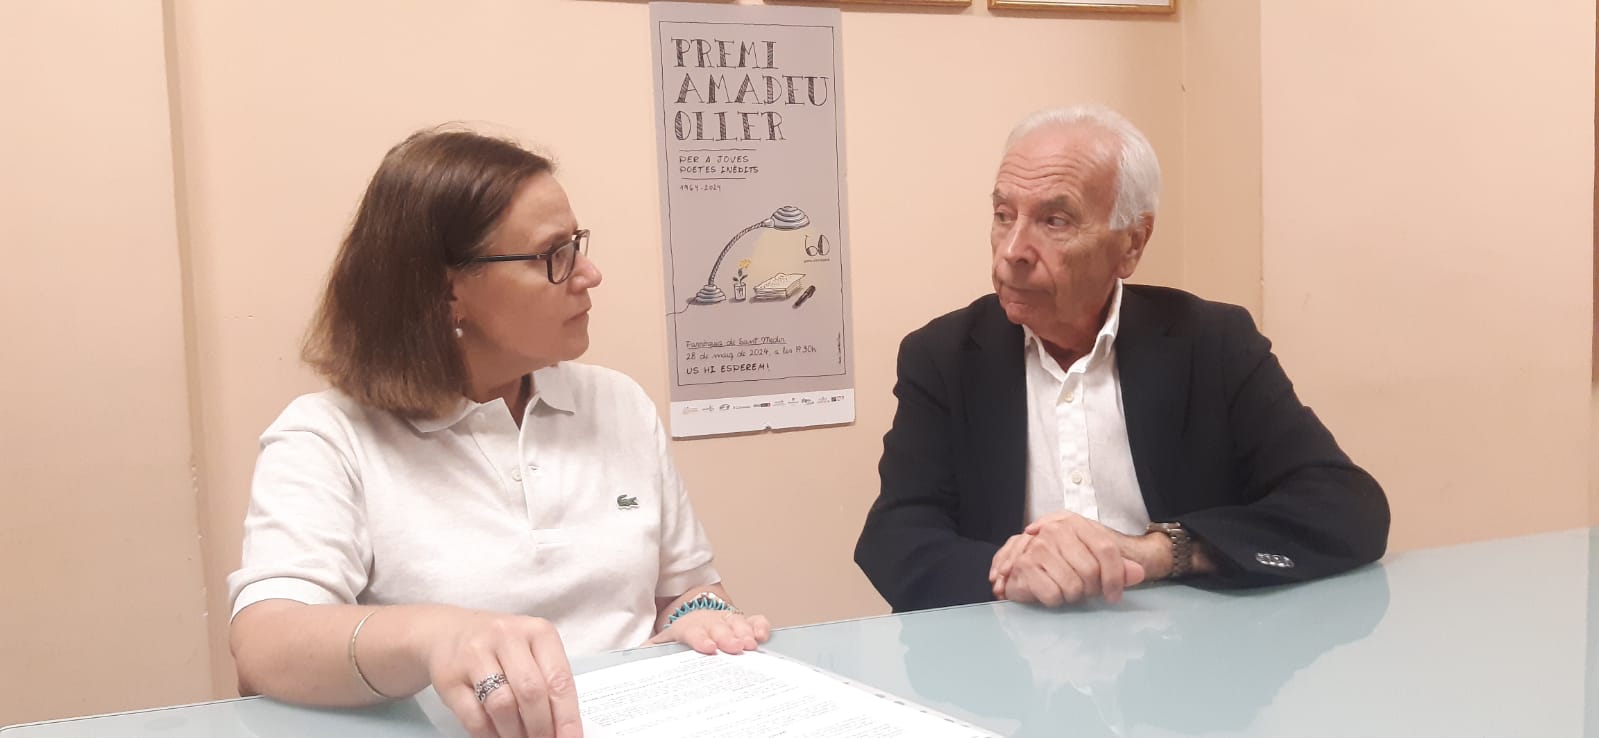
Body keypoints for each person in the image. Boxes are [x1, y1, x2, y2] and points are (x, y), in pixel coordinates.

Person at [228, 127, 770, 738]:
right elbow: (263, 645)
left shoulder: (618, 404)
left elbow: (689, 593)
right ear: (445, 291)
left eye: (577, 244)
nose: (589, 274)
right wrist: (438, 636)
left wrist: (705, 620)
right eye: (553, 255)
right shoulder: (330, 437)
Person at [854, 104, 1389, 613]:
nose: (1012, 250)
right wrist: (1008, 571)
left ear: (1132, 244)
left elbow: (1346, 507)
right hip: (1011, 654)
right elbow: (894, 537)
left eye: (1054, 221)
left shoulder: (1211, 343)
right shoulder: (943, 356)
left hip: (1190, 654)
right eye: (1002, 215)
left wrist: (1162, 551)